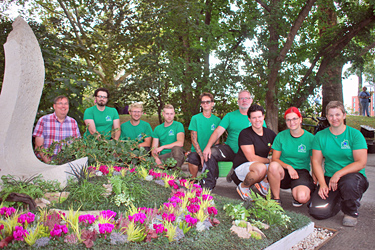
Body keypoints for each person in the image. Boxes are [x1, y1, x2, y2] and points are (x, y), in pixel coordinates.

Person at [308, 101, 369, 227]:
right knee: (317, 212)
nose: (334, 118)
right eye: (331, 115)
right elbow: (316, 161)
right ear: (327, 117)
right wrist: (323, 183)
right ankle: (340, 200)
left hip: (353, 177)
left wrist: (339, 173)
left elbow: (361, 163)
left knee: (348, 184)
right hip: (330, 178)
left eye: (337, 114)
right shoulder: (320, 136)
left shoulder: (355, 135)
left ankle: (350, 212)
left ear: (344, 115)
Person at [201, 90, 267, 190]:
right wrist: (208, 147)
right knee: (212, 152)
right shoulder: (230, 116)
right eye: (241, 98)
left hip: (247, 156)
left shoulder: (257, 119)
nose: (244, 101)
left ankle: (234, 174)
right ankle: (207, 186)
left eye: (246, 98)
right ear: (238, 101)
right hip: (230, 150)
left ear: (251, 100)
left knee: (244, 183)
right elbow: (218, 132)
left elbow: (264, 139)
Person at [267, 107, 315, 206]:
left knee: (302, 198)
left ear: (300, 119)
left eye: (294, 119)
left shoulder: (311, 138)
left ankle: (297, 192)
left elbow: (315, 162)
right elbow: (275, 159)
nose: (291, 122)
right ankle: (276, 199)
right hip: (284, 171)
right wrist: (288, 167)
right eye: (288, 119)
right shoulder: (281, 136)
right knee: (273, 166)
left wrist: (316, 180)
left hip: (301, 172)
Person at [231, 104, 276, 201]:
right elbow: (251, 158)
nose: (257, 120)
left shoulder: (270, 133)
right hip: (243, 166)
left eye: (259, 117)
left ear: (263, 117)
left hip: (260, 165)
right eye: (254, 118)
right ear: (249, 119)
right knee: (261, 168)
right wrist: (269, 160)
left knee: (276, 167)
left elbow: (278, 149)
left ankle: (263, 181)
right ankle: (243, 187)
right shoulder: (245, 134)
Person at [33, 95, 80, 163]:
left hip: (66, 162)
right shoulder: (43, 120)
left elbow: (77, 145)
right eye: (60, 103)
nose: (63, 106)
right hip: (45, 162)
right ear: (54, 106)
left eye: (65, 104)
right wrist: (50, 164)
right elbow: (39, 146)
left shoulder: (73, 122)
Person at [187, 92, 221, 178]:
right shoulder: (195, 118)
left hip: (210, 152)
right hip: (197, 151)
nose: (205, 104)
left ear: (212, 103)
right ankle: (193, 180)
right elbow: (194, 140)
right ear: (201, 104)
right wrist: (201, 156)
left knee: (210, 174)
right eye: (203, 102)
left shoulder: (217, 120)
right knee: (192, 158)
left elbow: (217, 141)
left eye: (208, 102)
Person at [152, 104, 185, 168]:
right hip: (163, 156)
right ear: (163, 114)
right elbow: (154, 149)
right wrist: (156, 159)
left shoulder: (178, 125)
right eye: (167, 114)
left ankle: (175, 173)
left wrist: (163, 147)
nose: (169, 116)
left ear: (174, 114)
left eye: (171, 114)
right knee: (150, 165)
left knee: (177, 148)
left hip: (175, 155)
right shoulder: (157, 129)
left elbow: (180, 143)